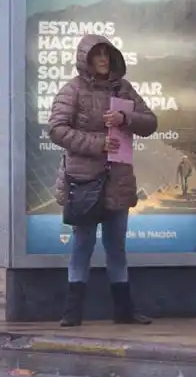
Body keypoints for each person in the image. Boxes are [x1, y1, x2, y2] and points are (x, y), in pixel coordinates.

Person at [48, 34, 158, 327]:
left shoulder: (123, 88)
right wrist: (97, 143)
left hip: (118, 179)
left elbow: (151, 121)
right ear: (85, 59)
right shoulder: (72, 90)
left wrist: (126, 118)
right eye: (96, 54)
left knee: (116, 245)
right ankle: (72, 313)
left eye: (106, 54)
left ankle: (124, 311)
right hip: (84, 179)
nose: (102, 59)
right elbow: (56, 129)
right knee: (82, 244)